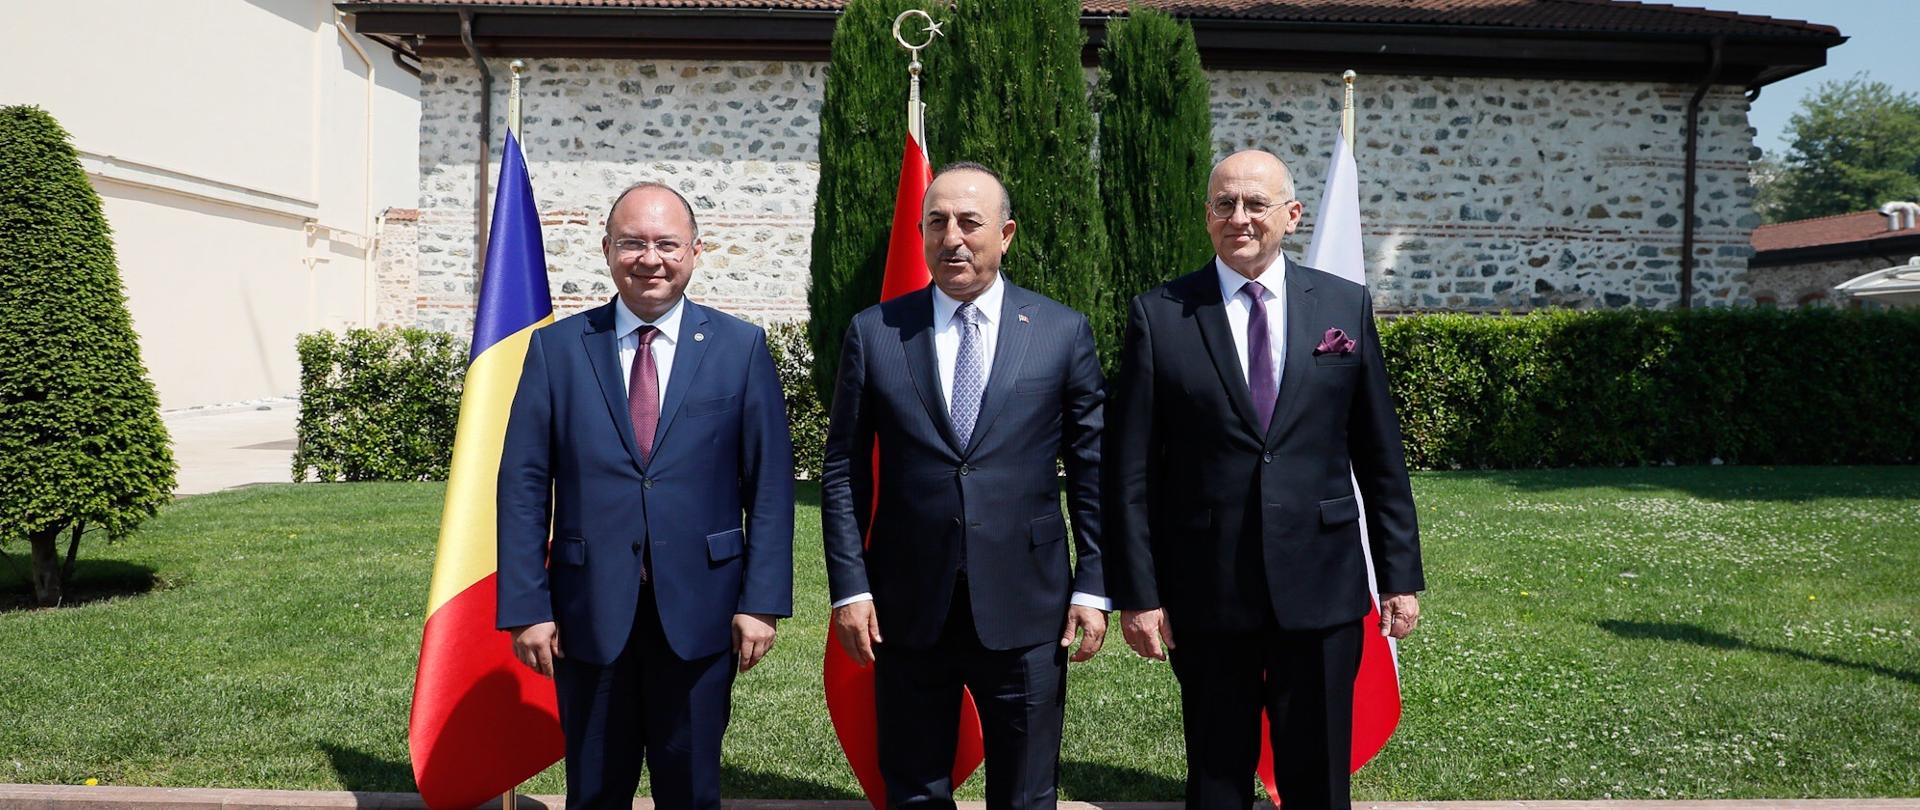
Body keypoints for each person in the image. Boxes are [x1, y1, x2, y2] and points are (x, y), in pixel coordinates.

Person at [1104, 150, 1426, 810]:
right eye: (1225, 204)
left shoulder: (1342, 306)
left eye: (1256, 204)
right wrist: (1138, 593)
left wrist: (1398, 574)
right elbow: (1129, 471)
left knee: (1318, 777)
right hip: (1208, 587)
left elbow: (1379, 454)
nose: (1240, 218)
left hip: (1322, 583)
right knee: (1218, 776)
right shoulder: (1160, 316)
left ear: (1292, 215)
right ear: (1207, 217)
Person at [495, 182, 794, 810]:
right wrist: (527, 605)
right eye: (633, 243)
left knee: (691, 792)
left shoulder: (741, 350)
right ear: (607, 250)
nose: (650, 258)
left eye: (666, 244)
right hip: (588, 614)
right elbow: (523, 485)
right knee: (595, 791)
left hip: (703, 613)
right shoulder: (556, 349)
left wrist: (762, 601)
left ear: (695, 251)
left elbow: (768, 486)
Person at [820, 162, 1108, 810]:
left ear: (1005, 234)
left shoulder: (1063, 333)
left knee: (1028, 794)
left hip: (1029, 603)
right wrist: (851, 586)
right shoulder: (876, 333)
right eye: (937, 222)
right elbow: (841, 469)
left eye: (970, 222)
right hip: (907, 603)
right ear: (921, 234)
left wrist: (1093, 583)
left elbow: (1093, 471)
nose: (953, 236)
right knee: (915, 788)